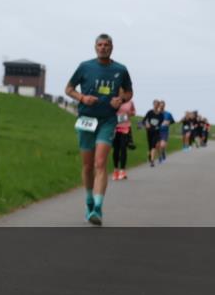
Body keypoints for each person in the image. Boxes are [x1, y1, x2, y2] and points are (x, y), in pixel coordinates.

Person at [65, 34, 134, 225]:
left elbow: (129, 92)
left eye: (107, 45)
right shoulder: (85, 67)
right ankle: (88, 199)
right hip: (86, 119)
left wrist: (121, 99)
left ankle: (97, 207)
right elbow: (68, 88)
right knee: (87, 166)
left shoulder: (120, 70)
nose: (103, 48)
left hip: (107, 120)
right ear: (95, 47)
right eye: (100, 45)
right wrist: (82, 98)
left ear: (112, 47)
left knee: (100, 163)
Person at [112, 97, 136, 180]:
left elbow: (133, 112)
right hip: (115, 128)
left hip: (125, 127)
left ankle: (122, 171)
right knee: (116, 150)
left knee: (123, 148)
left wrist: (130, 113)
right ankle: (116, 170)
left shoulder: (130, 102)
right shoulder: (113, 99)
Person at [143, 100, 163, 168]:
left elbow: (161, 123)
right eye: (155, 104)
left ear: (159, 105)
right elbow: (144, 120)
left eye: (157, 104)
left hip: (156, 132)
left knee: (154, 145)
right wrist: (147, 124)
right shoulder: (150, 112)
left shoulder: (160, 115)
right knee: (150, 146)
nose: (156, 105)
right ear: (153, 104)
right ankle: (150, 156)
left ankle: (152, 161)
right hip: (149, 132)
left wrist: (159, 126)